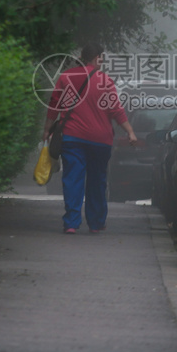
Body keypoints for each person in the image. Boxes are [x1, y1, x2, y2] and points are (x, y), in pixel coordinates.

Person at [42, 42, 137, 234]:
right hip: (100, 141)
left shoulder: (66, 77)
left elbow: (54, 105)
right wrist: (130, 132)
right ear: (97, 58)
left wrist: (46, 130)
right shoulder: (105, 81)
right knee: (97, 181)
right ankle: (96, 222)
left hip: (72, 138)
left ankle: (71, 223)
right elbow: (116, 110)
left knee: (72, 179)